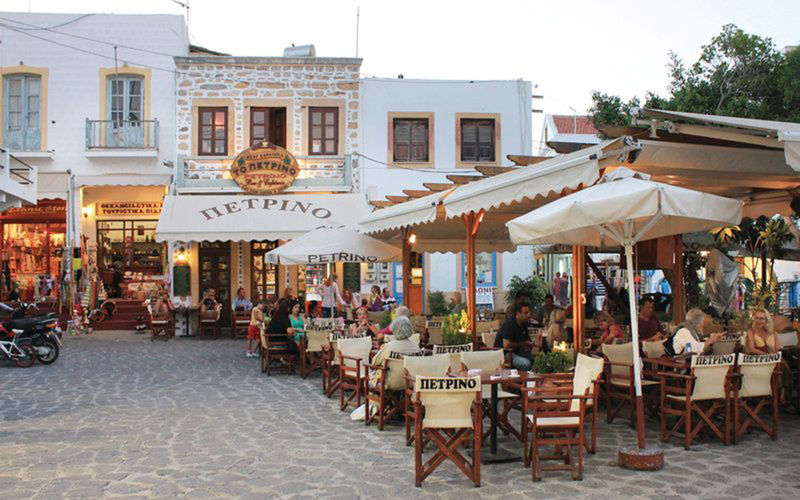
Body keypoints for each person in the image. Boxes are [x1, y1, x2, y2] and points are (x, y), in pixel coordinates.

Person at [369, 316, 421, 386]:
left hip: (389, 384)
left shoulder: (389, 346)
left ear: (394, 330)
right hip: (409, 383)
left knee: (369, 377)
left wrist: (381, 349)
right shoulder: (416, 346)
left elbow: (374, 363)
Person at [494, 302, 534, 370]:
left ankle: (527, 376)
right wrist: (524, 343)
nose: (528, 315)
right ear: (518, 314)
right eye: (526, 313)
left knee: (536, 361)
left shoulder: (524, 323)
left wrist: (529, 345)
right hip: (504, 353)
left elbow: (527, 339)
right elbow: (506, 345)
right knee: (526, 364)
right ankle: (522, 376)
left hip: (516, 351)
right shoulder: (509, 324)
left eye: (529, 313)